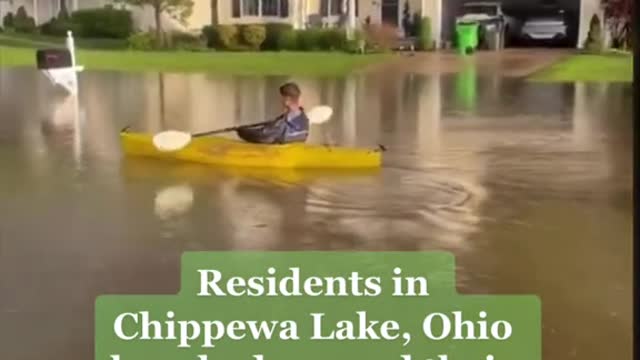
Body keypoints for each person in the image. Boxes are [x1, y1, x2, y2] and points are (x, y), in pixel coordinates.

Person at [236, 82, 310, 144]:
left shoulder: (282, 124)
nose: (280, 100)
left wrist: (243, 132)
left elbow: (263, 136)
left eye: (282, 98)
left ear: (287, 100)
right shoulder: (304, 120)